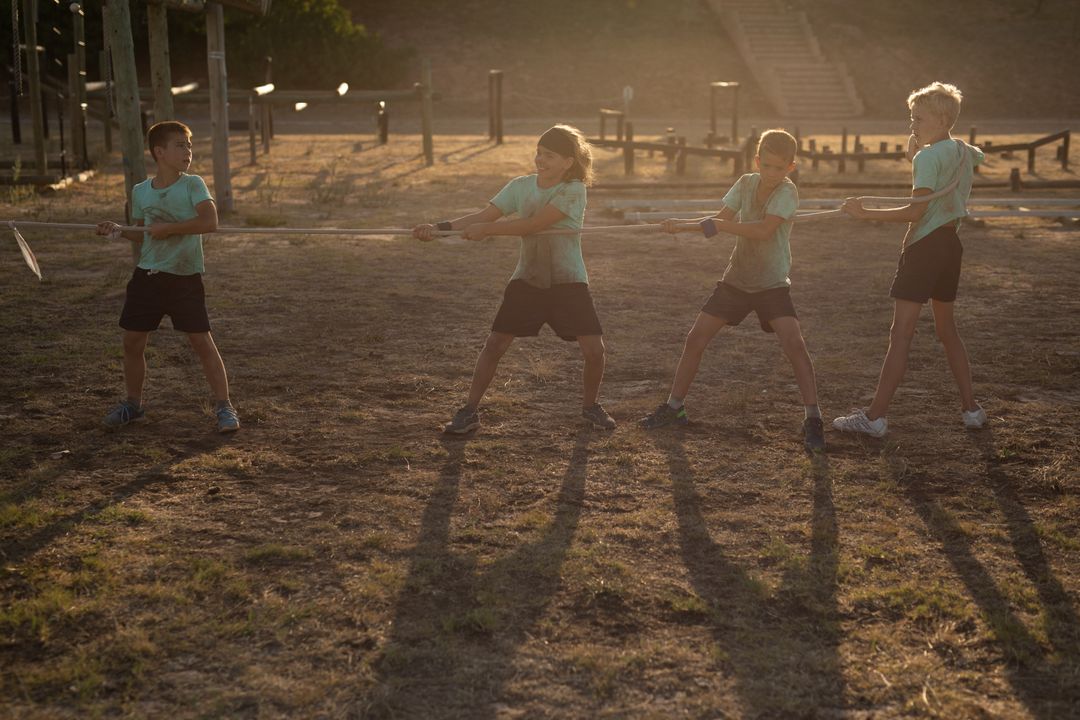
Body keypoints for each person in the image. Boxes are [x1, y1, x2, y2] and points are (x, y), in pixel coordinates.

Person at [413, 124, 615, 434]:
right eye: (538, 153)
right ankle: (468, 412)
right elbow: (483, 217)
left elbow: (533, 225)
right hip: (528, 280)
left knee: (594, 350)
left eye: (549, 155)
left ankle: (591, 408)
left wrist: (488, 232)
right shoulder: (520, 186)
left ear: (568, 162)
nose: (540, 159)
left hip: (568, 281)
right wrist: (439, 229)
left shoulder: (574, 189)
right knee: (494, 344)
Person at [639, 129, 826, 453]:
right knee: (695, 338)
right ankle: (674, 408)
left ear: (790, 168)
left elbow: (764, 230)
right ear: (757, 161)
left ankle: (813, 418)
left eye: (779, 168)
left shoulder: (787, 192)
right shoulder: (745, 183)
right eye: (766, 165)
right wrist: (680, 225)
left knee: (794, 343)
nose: (771, 173)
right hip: (737, 279)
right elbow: (718, 221)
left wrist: (723, 226)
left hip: (770, 282)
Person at [833, 82, 986, 438]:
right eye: (911, 117)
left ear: (943, 117)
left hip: (924, 248)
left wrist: (864, 213)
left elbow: (915, 213)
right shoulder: (965, 152)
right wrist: (920, 149)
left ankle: (875, 417)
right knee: (947, 331)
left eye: (919, 118)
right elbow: (961, 159)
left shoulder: (927, 157)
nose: (912, 124)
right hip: (951, 245)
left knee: (900, 333)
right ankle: (971, 410)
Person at [96, 120, 239, 433]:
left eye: (189, 145)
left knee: (201, 342)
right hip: (147, 276)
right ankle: (133, 405)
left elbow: (209, 221)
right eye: (180, 145)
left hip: (184, 278)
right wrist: (118, 232)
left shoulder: (193, 184)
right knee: (133, 341)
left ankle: (224, 407)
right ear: (159, 152)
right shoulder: (140, 191)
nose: (188, 151)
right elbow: (142, 234)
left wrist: (170, 228)